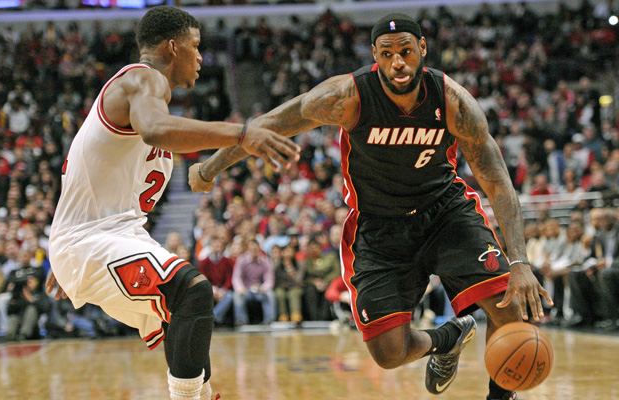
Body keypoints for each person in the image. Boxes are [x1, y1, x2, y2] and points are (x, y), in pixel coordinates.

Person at [190, 13, 552, 400]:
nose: (398, 62)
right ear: (375, 56)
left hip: (444, 212)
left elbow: (497, 180)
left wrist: (520, 262)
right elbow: (270, 122)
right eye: (388, 53)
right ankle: (447, 339)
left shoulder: (451, 101)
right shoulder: (345, 97)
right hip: (379, 226)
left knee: (507, 307)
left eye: (407, 52)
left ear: (423, 50)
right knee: (389, 353)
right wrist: (210, 168)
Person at [45, 6, 299, 400]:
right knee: (192, 292)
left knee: (184, 319)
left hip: (107, 237)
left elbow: (87, 172)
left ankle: (204, 393)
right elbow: (156, 130)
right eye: (195, 46)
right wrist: (241, 134)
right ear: (171, 46)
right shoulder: (143, 79)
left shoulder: (139, 97)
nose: (200, 57)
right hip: (90, 240)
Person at [231, 239, 276, 325]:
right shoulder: (242, 260)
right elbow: (236, 277)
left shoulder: (265, 261)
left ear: (259, 249)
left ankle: (269, 320)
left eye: (256, 249)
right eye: (252, 249)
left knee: (270, 294)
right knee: (237, 295)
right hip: (246, 290)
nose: (254, 251)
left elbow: (269, 278)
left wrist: (264, 287)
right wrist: (240, 288)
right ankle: (241, 321)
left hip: (260, 290)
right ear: (248, 249)